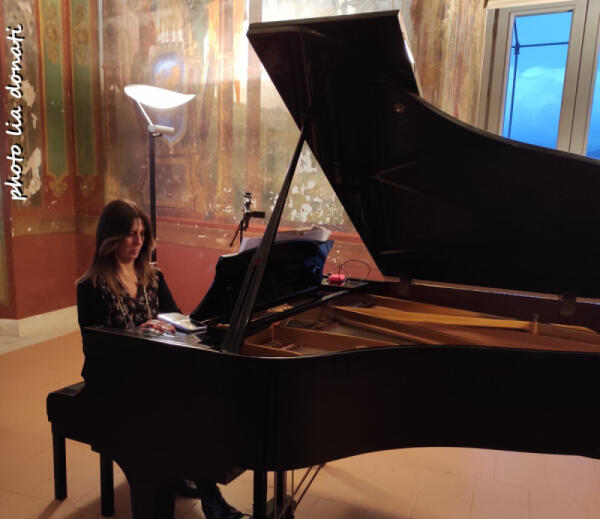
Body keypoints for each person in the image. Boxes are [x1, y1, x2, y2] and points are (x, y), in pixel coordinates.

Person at [77, 199, 244, 519]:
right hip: (113, 378)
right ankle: (208, 493)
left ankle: (194, 475)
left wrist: (171, 324)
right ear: (111, 237)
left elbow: (175, 317)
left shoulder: (152, 276)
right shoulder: (92, 286)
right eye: (130, 234)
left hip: (155, 370)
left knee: (203, 394)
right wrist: (138, 332)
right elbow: (94, 348)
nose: (138, 241)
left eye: (142, 234)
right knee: (183, 404)